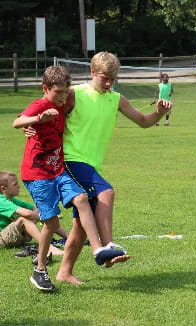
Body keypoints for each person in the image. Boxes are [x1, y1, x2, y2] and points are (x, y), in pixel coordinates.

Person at [24, 52, 172, 285]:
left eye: (113, 78)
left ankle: (64, 272)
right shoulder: (75, 94)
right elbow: (45, 108)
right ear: (92, 73)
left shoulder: (117, 99)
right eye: (104, 77)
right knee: (107, 192)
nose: (109, 83)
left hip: (91, 164)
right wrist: (30, 125)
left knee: (81, 226)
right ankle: (107, 246)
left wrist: (159, 114)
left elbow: (143, 121)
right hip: (71, 161)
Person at [13, 65, 129, 292]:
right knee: (52, 223)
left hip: (58, 170)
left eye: (66, 93)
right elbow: (17, 122)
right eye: (58, 93)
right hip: (38, 175)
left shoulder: (63, 105)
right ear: (45, 88)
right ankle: (40, 270)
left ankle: (99, 250)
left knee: (82, 199)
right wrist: (35, 120)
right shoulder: (42, 105)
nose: (63, 98)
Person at [0, 170, 65, 257]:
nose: (19, 186)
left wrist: (47, 216)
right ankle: (49, 248)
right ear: (3, 188)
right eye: (15, 184)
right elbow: (27, 214)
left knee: (43, 216)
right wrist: (46, 216)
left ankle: (70, 238)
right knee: (23, 220)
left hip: (9, 236)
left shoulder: (11, 198)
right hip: (1, 239)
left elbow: (34, 209)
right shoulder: (1, 201)